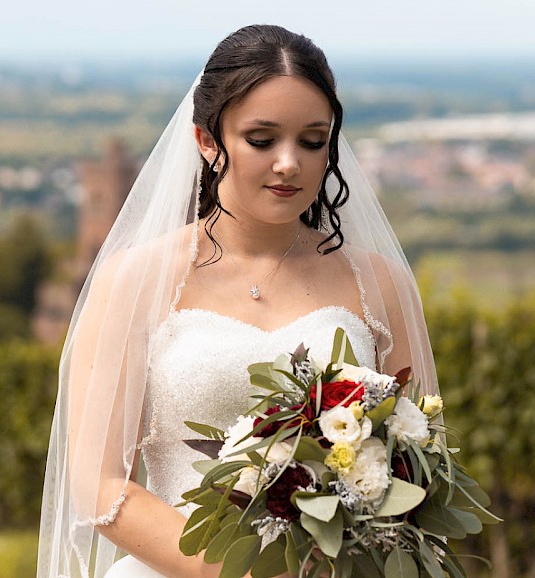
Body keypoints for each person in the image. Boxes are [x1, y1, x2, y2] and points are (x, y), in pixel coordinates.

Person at [37, 24, 438, 578]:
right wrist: (236, 571)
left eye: (313, 140)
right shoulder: (134, 281)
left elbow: (419, 463)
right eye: (261, 139)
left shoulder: (382, 283)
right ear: (206, 140)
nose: (289, 163)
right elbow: (98, 484)